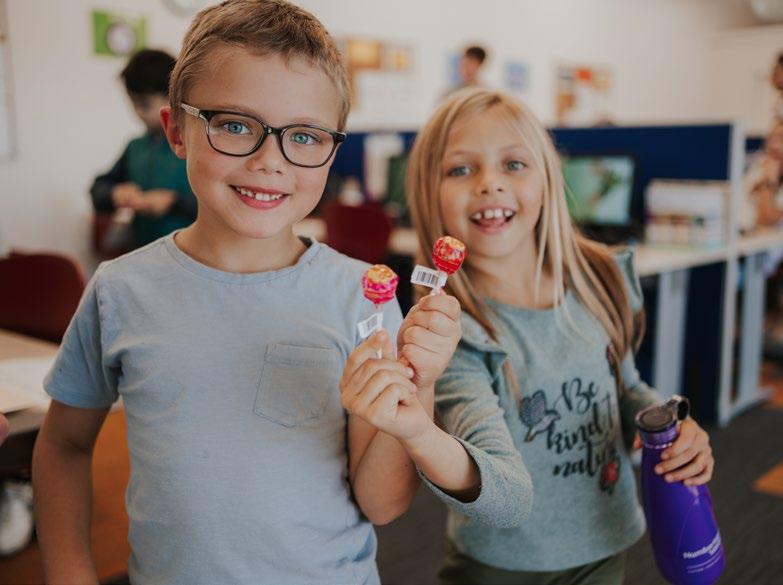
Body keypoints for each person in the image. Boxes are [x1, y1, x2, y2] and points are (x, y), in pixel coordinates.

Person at [30, 2, 517, 583]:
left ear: (332, 150)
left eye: (305, 136)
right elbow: (63, 446)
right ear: (176, 130)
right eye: (235, 125)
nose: (269, 162)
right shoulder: (119, 291)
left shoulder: (362, 296)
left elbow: (382, 504)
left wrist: (420, 383)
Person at [405, 87, 716, 584]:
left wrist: (668, 429)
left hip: (604, 542)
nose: (489, 184)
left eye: (513, 164)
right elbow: (495, 483)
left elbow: (623, 388)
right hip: (500, 565)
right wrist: (422, 438)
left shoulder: (602, 277)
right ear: (428, 193)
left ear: (548, 177)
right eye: (461, 169)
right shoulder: (452, 330)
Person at [90, 49, 197, 251]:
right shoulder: (136, 147)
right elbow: (97, 190)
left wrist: (174, 202)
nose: (138, 112)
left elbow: (222, 205)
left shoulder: (195, 144)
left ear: (172, 96)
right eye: (133, 103)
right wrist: (115, 193)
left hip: (191, 255)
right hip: (144, 253)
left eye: (145, 104)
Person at [745, 120, 783, 228]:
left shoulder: (769, 174)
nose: (773, 144)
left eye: (781, 139)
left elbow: (766, 219)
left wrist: (770, 182)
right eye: (772, 138)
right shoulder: (757, 168)